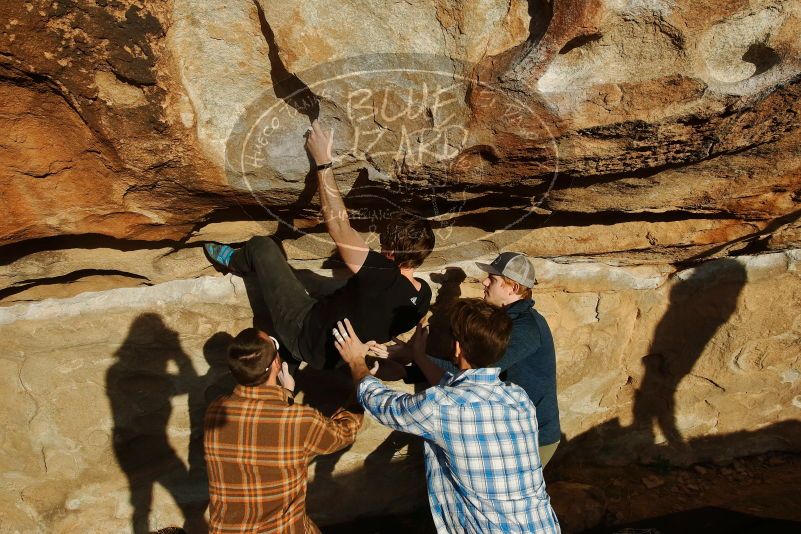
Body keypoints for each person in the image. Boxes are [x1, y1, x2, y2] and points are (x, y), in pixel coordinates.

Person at [204, 120, 434, 370]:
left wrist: (323, 161)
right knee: (333, 288)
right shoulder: (423, 295)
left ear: (389, 250)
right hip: (336, 358)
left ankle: (235, 262)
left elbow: (338, 226)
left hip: (303, 331)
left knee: (264, 247)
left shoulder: (380, 275)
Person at [334, 300, 560, 534]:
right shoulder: (518, 398)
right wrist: (415, 361)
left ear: (457, 348)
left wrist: (356, 361)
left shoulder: (442, 406)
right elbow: (460, 391)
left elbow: (381, 404)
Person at [393, 252, 561, 465]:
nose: (484, 281)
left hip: (533, 438)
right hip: (510, 429)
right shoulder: (501, 321)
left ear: (514, 288)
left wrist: (416, 356)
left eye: (493, 278)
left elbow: (473, 375)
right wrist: (409, 369)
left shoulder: (525, 329)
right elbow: (466, 367)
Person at [204, 328, 363, 533]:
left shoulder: (215, 411)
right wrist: (362, 384)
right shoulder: (300, 420)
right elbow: (345, 432)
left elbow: (262, 426)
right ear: (276, 363)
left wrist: (286, 393)